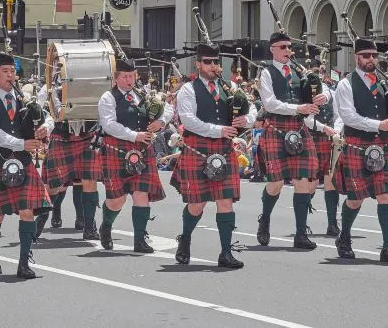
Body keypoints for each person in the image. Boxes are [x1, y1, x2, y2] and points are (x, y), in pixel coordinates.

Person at [172, 43, 256, 268]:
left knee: (225, 201)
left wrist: (245, 121)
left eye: (215, 62)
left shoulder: (229, 88)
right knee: (197, 204)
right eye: (207, 62)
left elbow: (253, 109)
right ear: (198, 64)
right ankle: (186, 238)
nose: (212, 66)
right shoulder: (188, 90)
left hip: (224, 150)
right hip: (198, 149)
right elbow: (188, 120)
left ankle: (226, 253)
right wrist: (218, 130)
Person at [332, 38, 388, 263]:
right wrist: (379, 124)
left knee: (385, 195)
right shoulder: (346, 84)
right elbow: (348, 117)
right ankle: (344, 236)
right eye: (366, 56)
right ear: (356, 57)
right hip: (358, 145)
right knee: (356, 199)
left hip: (384, 146)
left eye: (374, 56)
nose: (371, 60)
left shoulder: (387, 82)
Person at [0, 52, 53, 279]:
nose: (10, 76)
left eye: (13, 71)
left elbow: (48, 117)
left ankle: (23, 263)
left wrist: (45, 128)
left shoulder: (25, 99)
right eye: (5, 72)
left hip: (24, 162)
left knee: (27, 212)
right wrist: (22, 143)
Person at [255, 31, 325, 250]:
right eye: (283, 47)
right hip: (276, 128)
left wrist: (319, 99)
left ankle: (301, 234)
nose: (288, 51)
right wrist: (299, 108)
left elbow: (309, 100)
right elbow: (269, 103)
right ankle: (265, 219)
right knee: (275, 183)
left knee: (303, 180)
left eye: (289, 47)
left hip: (298, 128)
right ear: (272, 50)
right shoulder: (265, 73)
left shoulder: (298, 72)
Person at [97, 57, 172, 252]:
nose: (129, 80)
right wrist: (134, 135)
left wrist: (160, 122)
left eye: (131, 76)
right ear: (116, 78)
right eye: (125, 76)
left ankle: (140, 240)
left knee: (141, 194)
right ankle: (106, 226)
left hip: (142, 150)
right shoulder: (108, 97)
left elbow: (167, 109)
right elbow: (108, 125)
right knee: (117, 199)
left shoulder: (142, 95)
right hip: (116, 150)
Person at [35, 84, 102, 240]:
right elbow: (45, 110)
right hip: (62, 136)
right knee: (54, 186)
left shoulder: (93, 84)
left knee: (90, 182)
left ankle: (89, 226)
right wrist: (45, 125)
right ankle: (42, 218)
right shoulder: (51, 86)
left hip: (87, 136)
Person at [304, 77, 343, 237]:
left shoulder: (332, 94)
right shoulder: (305, 97)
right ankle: (302, 222)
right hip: (312, 138)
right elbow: (305, 119)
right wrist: (323, 128)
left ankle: (332, 224)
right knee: (311, 184)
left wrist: (336, 130)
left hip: (331, 139)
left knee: (331, 180)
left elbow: (339, 115)